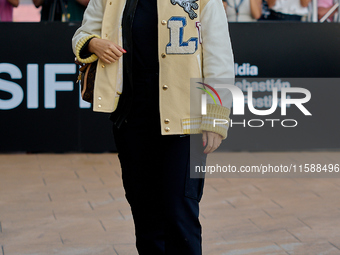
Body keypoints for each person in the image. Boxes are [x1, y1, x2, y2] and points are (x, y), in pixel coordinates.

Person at [72, 0, 234, 253]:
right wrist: (94, 43)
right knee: (145, 216)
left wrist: (216, 116)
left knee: (180, 214)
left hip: (186, 122)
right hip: (132, 119)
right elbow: (82, 34)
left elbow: (218, 53)